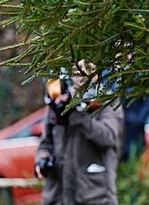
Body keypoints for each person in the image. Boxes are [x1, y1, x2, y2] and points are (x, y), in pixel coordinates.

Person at [34, 64, 125, 205]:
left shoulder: (107, 102)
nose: (81, 75)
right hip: (58, 196)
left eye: (86, 70)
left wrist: (78, 115)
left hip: (95, 196)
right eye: (77, 71)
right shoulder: (59, 102)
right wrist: (42, 160)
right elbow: (45, 144)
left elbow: (108, 137)